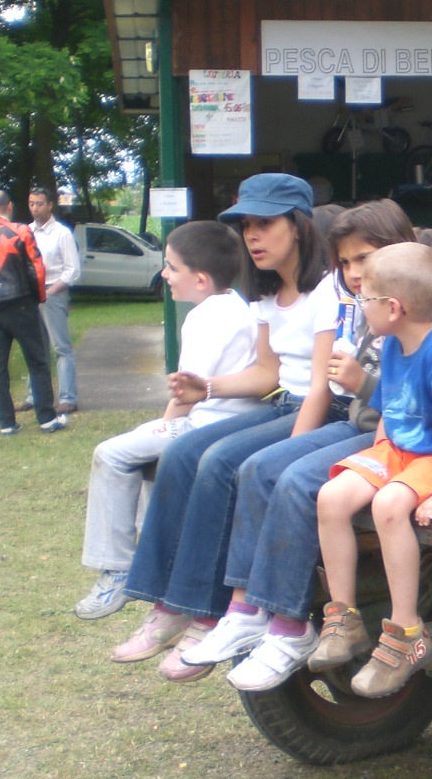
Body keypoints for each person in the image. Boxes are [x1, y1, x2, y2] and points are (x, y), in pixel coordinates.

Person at [178, 202, 432, 689]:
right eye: (347, 263)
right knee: (261, 468)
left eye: (365, 260)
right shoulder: (375, 317)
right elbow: (389, 405)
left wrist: (362, 383)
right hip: (379, 437)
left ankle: (290, 622)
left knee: (294, 480)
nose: (356, 274)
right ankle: (249, 607)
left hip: (416, 449)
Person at [108, 173, 339, 674]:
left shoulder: (327, 291)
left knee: (219, 463)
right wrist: (206, 388)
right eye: (246, 226)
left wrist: (294, 451)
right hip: (283, 404)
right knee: (182, 452)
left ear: (297, 226)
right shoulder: (266, 293)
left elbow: (319, 386)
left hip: (316, 410)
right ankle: (168, 606)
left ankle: (209, 614)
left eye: (265, 223)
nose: (252, 235)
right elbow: (266, 374)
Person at [309, 243, 432, 698]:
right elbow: (392, 406)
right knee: (332, 496)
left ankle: (407, 632)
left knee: (390, 505)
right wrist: (375, 462)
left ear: (394, 307)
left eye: (366, 298)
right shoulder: (391, 343)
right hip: (401, 452)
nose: (359, 304)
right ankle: (344, 617)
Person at [73, 221, 259, 619]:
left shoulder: (206, 318)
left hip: (205, 427)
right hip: (225, 422)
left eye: (172, 267)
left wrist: (162, 426)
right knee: (144, 447)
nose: (164, 275)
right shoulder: (236, 306)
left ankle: (119, 568)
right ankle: (148, 555)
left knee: (111, 455)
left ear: (201, 279)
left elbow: (184, 396)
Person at [0, 190, 65, 436]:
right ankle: (47, 419)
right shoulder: (22, 231)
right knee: (38, 361)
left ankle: (6, 423)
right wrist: (38, 297)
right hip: (21, 304)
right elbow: (37, 269)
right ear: (10, 206)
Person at [22, 188, 80, 414]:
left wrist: (52, 291)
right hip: (31, 294)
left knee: (61, 347)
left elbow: (72, 270)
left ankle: (68, 398)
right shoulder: (26, 231)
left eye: (39, 204)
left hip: (52, 292)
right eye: (31, 203)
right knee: (35, 346)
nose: (35, 208)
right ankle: (33, 395)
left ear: (50, 205)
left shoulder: (62, 233)